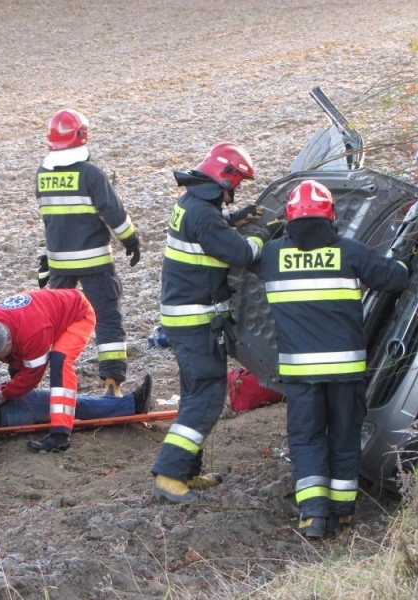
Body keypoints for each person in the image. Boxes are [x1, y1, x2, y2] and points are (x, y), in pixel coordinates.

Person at [259, 180, 410, 539]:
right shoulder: (349, 251)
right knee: (344, 436)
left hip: (301, 374)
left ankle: (312, 515)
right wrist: (406, 259)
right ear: (331, 216)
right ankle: (342, 514)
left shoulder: (271, 256)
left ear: (289, 217)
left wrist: (264, 231)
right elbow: (394, 279)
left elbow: (241, 260)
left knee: (307, 438)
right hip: (346, 370)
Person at [150, 142, 270, 503]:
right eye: (237, 185)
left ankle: (187, 472)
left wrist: (233, 221)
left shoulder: (192, 204)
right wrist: (264, 234)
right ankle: (170, 475)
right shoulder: (203, 213)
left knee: (194, 395)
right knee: (206, 398)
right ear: (225, 178)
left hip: (185, 320)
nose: (236, 193)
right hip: (197, 323)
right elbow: (241, 253)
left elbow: (208, 235)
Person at [35, 108, 141, 397]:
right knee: (107, 317)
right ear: (82, 135)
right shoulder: (91, 174)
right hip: (95, 262)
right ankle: (112, 384)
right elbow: (114, 214)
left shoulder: (42, 175)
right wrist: (131, 241)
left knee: (60, 323)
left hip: (59, 263)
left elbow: (51, 220)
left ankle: (59, 381)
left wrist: (49, 256)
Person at [0, 288, 96, 452]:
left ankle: (61, 435)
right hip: (43, 316)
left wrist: (3, 395)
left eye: (0, 356)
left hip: (77, 314)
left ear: (10, 342)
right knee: (17, 370)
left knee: (60, 361)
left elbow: (31, 377)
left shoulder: (34, 333)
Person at [0, 374, 153, 428]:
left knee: (68, 402)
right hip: (4, 409)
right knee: (68, 403)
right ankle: (131, 405)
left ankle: (125, 404)